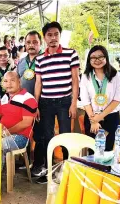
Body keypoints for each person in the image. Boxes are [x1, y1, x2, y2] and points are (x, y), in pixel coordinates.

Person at [33, 22, 79, 184]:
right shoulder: (40, 59)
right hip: (45, 103)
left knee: (66, 136)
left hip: (64, 102)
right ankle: (49, 171)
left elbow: (75, 80)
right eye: (49, 35)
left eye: (56, 34)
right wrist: (36, 105)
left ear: (60, 35)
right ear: (44, 38)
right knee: (47, 137)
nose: (53, 38)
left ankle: (67, 171)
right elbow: (39, 83)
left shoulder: (71, 54)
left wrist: (73, 103)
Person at [80, 45, 120, 151]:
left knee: (107, 151)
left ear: (106, 58)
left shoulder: (116, 75)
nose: (97, 60)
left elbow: (117, 99)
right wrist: (94, 121)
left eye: (100, 57)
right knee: (93, 150)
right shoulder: (86, 76)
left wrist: (99, 117)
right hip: (91, 116)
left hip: (110, 117)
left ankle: (106, 168)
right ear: (89, 60)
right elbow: (85, 100)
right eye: (93, 57)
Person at [0, 71, 37, 166]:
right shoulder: (5, 97)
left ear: (19, 81)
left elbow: (26, 123)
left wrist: (6, 133)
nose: (8, 83)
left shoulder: (28, 98)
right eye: (6, 81)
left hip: (21, 137)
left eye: (12, 80)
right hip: (2, 134)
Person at [16, 31, 42, 96]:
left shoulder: (45, 60)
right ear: (25, 44)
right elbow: (17, 80)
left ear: (40, 43)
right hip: (23, 101)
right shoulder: (21, 61)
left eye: (35, 42)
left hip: (42, 103)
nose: (31, 45)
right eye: (28, 42)